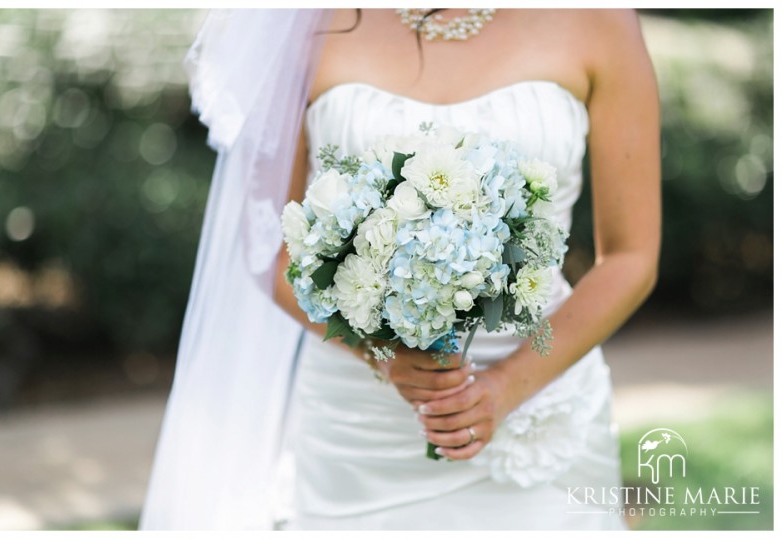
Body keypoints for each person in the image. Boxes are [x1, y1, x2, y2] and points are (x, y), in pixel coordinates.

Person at [141, 8, 660, 531]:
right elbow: (270, 251)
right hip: (361, 428)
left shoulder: (599, 20)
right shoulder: (304, 23)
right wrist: (382, 355)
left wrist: (506, 386)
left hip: (541, 405)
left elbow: (630, 257)